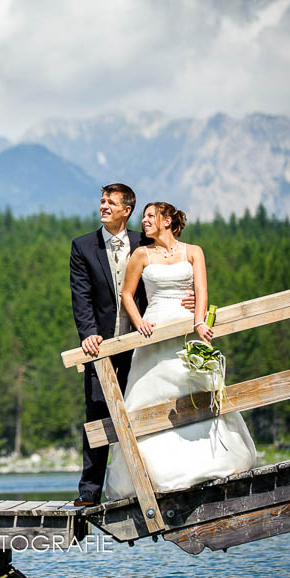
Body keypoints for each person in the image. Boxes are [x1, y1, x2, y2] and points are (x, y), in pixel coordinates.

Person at [104, 202, 257, 499]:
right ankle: (157, 472)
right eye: (144, 217)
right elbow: (127, 293)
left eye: (150, 217)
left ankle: (213, 460)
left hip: (186, 327)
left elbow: (202, 292)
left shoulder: (193, 252)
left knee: (197, 389)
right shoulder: (141, 254)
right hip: (155, 327)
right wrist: (139, 323)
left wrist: (200, 321)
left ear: (167, 220)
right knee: (152, 394)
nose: (144, 222)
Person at [69, 184, 194, 507]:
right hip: (102, 345)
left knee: (145, 405)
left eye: (111, 202)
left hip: (143, 342)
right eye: (101, 201)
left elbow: (170, 268)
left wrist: (189, 300)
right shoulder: (83, 246)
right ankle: (90, 488)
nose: (103, 206)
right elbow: (81, 296)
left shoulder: (144, 241)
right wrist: (88, 333)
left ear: (127, 210)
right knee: (97, 411)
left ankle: (155, 477)